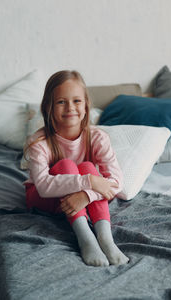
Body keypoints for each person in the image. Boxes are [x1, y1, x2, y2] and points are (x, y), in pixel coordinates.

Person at [24, 70, 129, 267]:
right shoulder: (39, 142)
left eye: (77, 101)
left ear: (86, 105)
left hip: (78, 199)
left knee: (88, 166)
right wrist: (90, 181)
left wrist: (86, 195)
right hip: (43, 197)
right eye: (61, 102)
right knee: (66, 165)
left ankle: (105, 239)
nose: (70, 107)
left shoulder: (97, 138)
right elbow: (45, 186)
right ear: (48, 107)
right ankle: (86, 238)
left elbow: (116, 183)